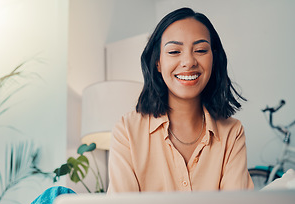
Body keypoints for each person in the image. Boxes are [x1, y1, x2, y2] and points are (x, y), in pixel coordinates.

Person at [107, 7, 254, 192]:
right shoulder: (127, 131)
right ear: (157, 62)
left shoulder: (232, 132)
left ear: (214, 59)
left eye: (200, 50)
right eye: (175, 52)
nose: (189, 61)